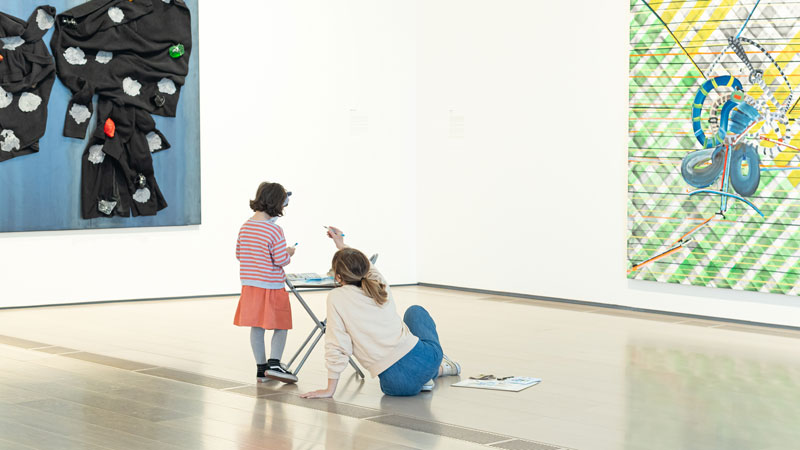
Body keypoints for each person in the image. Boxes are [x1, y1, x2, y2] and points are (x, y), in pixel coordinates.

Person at [301, 227, 461, 398]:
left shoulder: (336, 297)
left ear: (338, 276)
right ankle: (437, 370)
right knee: (415, 312)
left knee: (411, 365)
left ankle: (430, 376)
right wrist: (341, 244)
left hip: (397, 385)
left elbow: (337, 343)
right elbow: (368, 266)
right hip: (427, 360)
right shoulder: (379, 283)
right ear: (365, 268)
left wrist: (329, 390)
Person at [234, 182, 297, 383]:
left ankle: (261, 370)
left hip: (250, 286)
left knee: (256, 327)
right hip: (272, 286)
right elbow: (280, 260)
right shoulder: (274, 231)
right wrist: (289, 253)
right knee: (281, 325)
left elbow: (239, 254)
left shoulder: (245, 227)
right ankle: (275, 364)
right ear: (276, 204)